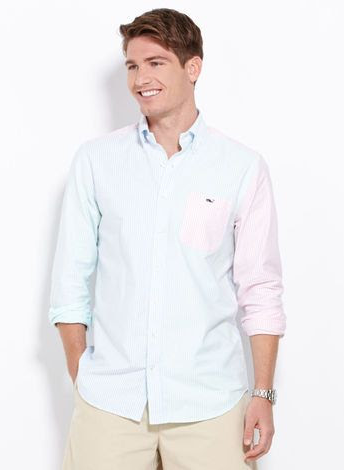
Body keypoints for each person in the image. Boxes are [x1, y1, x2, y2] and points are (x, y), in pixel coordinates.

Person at [48, 7, 286, 470]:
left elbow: (261, 289)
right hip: (111, 403)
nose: (141, 79)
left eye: (155, 63)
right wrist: (84, 377)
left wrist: (263, 393)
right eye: (132, 66)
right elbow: (70, 280)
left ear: (192, 68)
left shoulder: (241, 167)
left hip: (210, 403)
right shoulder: (96, 161)